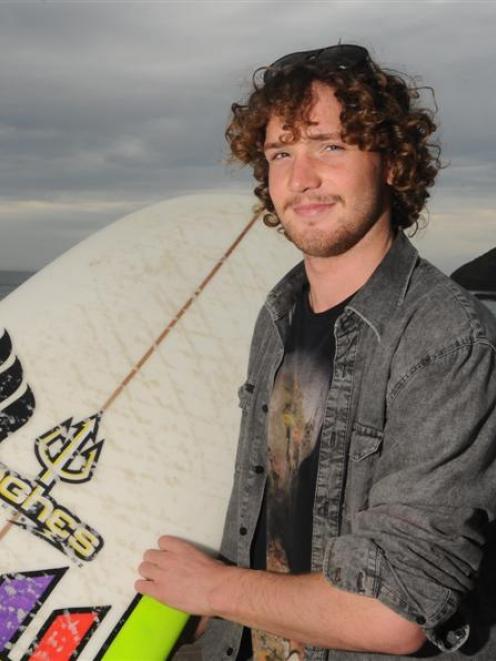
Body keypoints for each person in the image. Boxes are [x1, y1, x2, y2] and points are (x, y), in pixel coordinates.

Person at [136, 44, 496, 659]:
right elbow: (271, 514)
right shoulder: (279, 313)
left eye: (330, 146)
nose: (301, 178)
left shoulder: (447, 341)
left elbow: (393, 614)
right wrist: (206, 615)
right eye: (282, 153)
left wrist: (214, 590)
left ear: (390, 162)